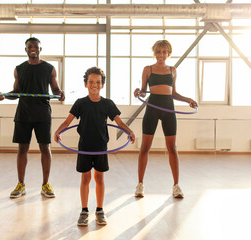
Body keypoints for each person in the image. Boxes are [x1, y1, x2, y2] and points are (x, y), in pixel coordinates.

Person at [54, 67, 135, 226]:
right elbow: (67, 122)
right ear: (85, 84)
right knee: (85, 178)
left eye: (98, 82)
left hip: (100, 147)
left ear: (102, 85)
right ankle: (84, 211)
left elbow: (119, 122)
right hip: (84, 146)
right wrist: (58, 131)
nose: (94, 85)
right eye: (91, 82)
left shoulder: (107, 104)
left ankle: (99, 210)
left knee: (99, 177)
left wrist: (130, 131)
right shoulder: (80, 103)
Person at [0, 37, 65, 199]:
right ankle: (21, 185)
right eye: (30, 47)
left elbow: (55, 89)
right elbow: (16, 92)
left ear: (40, 49)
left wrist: (59, 94)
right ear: (26, 49)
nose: (33, 49)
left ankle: (45, 185)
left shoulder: (49, 68)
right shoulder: (19, 69)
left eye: (36, 47)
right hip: (24, 113)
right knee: (22, 149)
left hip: (42, 113)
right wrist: (4, 96)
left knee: (44, 148)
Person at [133, 40, 198, 198]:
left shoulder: (173, 70)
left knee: (172, 148)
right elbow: (143, 91)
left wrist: (188, 99)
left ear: (168, 54)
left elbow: (173, 93)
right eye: (158, 51)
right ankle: (140, 184)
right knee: (145, 147)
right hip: (153, 107)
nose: (161, 55)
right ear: (154, 52)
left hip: (168, 108)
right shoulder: (147, 69)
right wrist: (138, 92)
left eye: (164, 52)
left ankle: (176, 186)